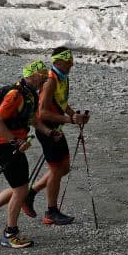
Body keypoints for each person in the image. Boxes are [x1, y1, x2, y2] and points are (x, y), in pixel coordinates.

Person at [0, 60, 53, 248]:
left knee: (20, 188)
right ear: (32, 76)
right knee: (21, 190)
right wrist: (15, 141)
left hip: (11, 146)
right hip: (5, 146)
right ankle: (10, 234)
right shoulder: (15, 95)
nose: (44, 82)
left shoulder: (30, 95)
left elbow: (31, 119)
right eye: (42, 77)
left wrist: (49, 132)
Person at [26, 47, 89, 225]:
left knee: (64, 168)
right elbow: (42, 112)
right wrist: (70, 120)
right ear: (57, 62)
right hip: (46, 130)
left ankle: (31, 194)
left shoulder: (63, 78)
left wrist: (75, 116)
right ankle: (51, 212)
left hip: (56, 128)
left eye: (72, 63)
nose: (71, 66)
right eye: (68, 63)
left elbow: (62, 102)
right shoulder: (50, 81)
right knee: (56, 169)